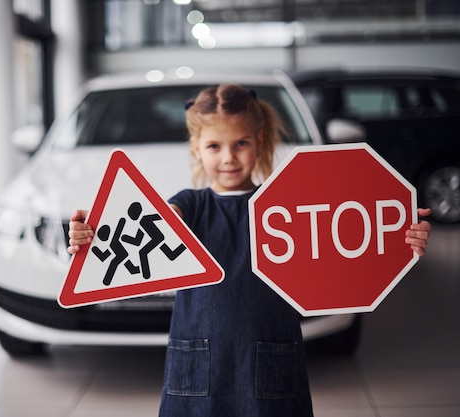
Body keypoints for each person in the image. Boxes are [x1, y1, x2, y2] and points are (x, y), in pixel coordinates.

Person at [67, 84, 432, 417]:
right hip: (199, 367)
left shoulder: (286, 207)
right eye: (214, 146)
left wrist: (397, 228)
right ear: (196, 148)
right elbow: (154, 225)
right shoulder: (189, 206)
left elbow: (349, 237)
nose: (228, 157)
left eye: (240, 143)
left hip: (269, 360)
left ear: (259, 141)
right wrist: (95, 233)